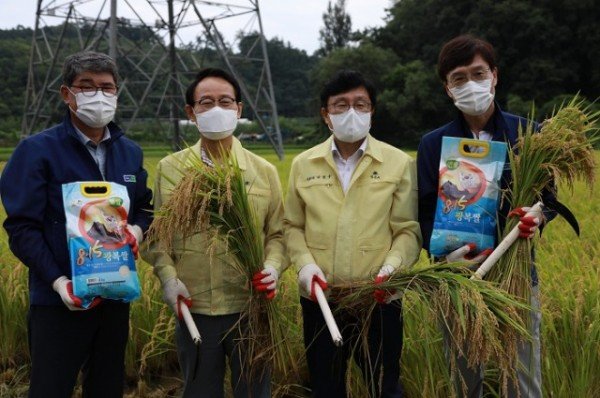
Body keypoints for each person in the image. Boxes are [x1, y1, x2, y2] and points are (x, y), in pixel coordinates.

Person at [0, 51, 152, 398]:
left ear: (116, 93)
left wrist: (136, 231)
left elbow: (144, 208)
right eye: (87, 86)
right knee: (51, 387)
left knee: (107, 385)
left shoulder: (129, 152)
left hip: (115, 296)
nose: (98, 95)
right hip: (59, 301)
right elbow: (22, 227)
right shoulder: (37, 151)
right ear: (66, 94)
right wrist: (58, 283)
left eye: (106, 87)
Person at [417, 34, 554, 397]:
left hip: (518, 274)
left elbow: (549, 199)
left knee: (522, 378)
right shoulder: (433, 145)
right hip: (459, 277)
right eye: (458, 78)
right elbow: (425, 210)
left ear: (495, 76)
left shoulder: (530, 135)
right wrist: (445, 255)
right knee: (464, 379)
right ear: (448, 89)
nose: (470, 84)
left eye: (478, 73)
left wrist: (537, 216)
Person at [145, 67, 286, 398]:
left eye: (226, 101)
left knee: (254, 391)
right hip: (195, 307)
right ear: (191, 113)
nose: (217, 109)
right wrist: (168, 277)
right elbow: (156, 237)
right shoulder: (171, 169)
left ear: (239, 109)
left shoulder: (263, 172)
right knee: (199, 392)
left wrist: (273, 268)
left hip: (251, 309)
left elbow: (279, 234)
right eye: (206, 102)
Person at [284, 70, 422, 398]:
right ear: (325, 115)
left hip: (379, 300)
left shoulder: (398, 163)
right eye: (340, 105)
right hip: (321, 299)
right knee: (326, 387)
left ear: (372, 111)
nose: (351, 113)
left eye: (361, 105)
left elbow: (407, 230)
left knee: (384, 386)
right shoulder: (304, 164)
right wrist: (304, 266)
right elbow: (291, 226)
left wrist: (392, 269)